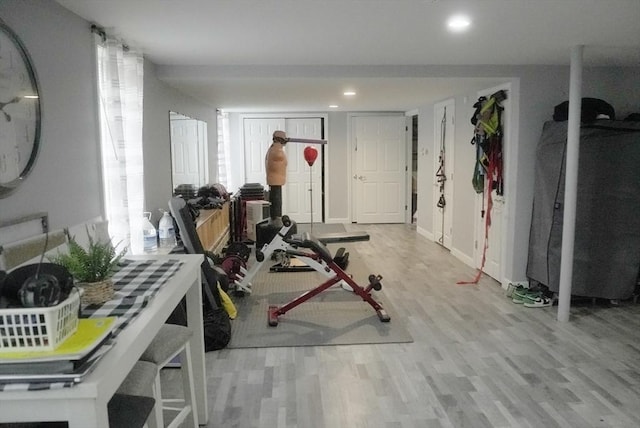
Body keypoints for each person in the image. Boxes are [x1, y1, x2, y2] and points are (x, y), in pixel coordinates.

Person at [265, 130, 288, 226]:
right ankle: (276, 221)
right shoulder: (277, 150)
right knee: (276, 201)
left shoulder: (272, 149)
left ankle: (276, 219)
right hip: (275, 180)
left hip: (276, 179)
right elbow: (279, 156)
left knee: (276, 201)